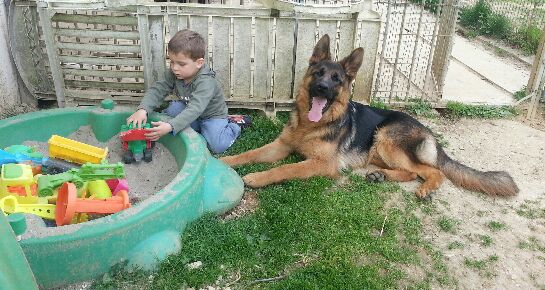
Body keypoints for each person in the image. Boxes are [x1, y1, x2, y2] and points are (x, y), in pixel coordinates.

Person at [126, 29, 251, 154]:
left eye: (181, 64)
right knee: (171, 113)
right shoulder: (175, 73)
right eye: (172, 62)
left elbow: (196, 108)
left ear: (199, 63)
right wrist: (143, 109)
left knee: (216, 145)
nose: (175, 68)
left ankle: (235, 124)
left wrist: (171, 126)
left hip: (211, 116)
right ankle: (192, 126)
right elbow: (158, 90)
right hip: (188, 109)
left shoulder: (206, 82)